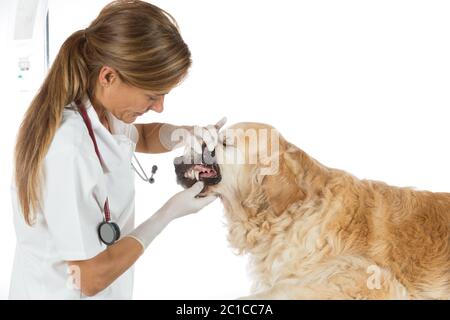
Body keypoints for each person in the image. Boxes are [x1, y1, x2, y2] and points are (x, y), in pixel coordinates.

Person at [9, 0, 223, 299]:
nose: (160, 107)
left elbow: (141, 136)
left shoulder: (102, 112)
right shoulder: (68, 150)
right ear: (108, 76)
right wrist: (167, 214)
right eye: (152, 96)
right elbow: (88, 278)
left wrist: (182, 134)